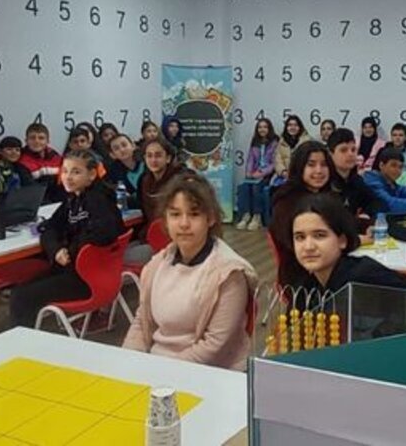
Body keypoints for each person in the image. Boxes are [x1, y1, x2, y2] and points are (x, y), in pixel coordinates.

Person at [123, 173, 258, 370]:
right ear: (165, 220)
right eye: (175, 214)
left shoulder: (229, 273)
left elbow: (214, 345)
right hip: (158, 366)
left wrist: (162, 370)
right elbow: (142, 322)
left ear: (210, 218)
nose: (184, 224)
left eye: (194, 214)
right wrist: (128, 361)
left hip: (211, 372)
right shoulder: (157, 265)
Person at [8, 150, 125, 329]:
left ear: (92, 175)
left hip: (88, 278)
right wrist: (56, 250)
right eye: (64, 171)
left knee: (21, 297)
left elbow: (103, 234)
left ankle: (25, 342)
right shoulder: (72, 199)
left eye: (76, 172)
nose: (68, 177)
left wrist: (69, 251)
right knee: (20, 291)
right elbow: (49, 227)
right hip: (75, 270)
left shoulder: (99, 200)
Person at [287, 194, 406, 296]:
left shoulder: (363, 280)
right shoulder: (305, 285)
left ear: (342, 241)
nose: (308, 246)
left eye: (319, 235)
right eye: (300, 237)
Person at [268, 141, 340, 285]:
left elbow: (345, 222)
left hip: (328, 264)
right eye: (311, 165)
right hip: (302, 274)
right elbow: (290, 241)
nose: (319, 171)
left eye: (324, 165)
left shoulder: (328, 196)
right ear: (299, 167)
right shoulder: (286, 200)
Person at [327, 128, 382, 227]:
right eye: (343, 150)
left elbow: (376, 202)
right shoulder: (324, 181)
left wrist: (366, 214)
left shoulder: (356, 180)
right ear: (331, 154)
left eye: (353, 150)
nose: (350, 154)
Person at [236, 118, 278, 230]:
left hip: (269, 174)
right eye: (260, 127)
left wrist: (262, 173)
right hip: (254, 173)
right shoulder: (255, 142)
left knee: (256, 187)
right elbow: (251, 159)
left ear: (269, 129)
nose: (262, 129)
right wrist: (249, 172)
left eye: (265, 127)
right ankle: (246, 215)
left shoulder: (275, 142)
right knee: (244, 187)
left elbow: (275, 163)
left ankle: (257, 216)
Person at [363, 147, 406, 213]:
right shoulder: (371, 181)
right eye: (393, 165)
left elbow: (403, 190)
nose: (398, 170)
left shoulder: (390, 182)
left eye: (400, 167)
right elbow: (390, 205)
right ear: (381, 165)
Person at [18, 122, 64, 202]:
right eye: (32, 138)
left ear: (48, 141)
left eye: (41, 138)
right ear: (26, 141)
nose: (37, 141)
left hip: (59, 201)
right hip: (37, 202)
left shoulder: (55, 156)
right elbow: (30, 188)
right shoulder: (21, 161)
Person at [107, 133, 145, 205]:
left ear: (133, 146)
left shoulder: (146, 161)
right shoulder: (114, 172)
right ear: (112, 155)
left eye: (124, 145)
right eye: (116, 148)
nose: (122, 150)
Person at [274, 114, 311, 183]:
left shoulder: (306, 142)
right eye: (290, 125)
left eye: (295, 125)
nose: (292, 127)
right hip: (284, 175)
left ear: (300, 127)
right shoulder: (281, 142)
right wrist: (283, 172)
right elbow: (278, 160)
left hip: (301, 175)